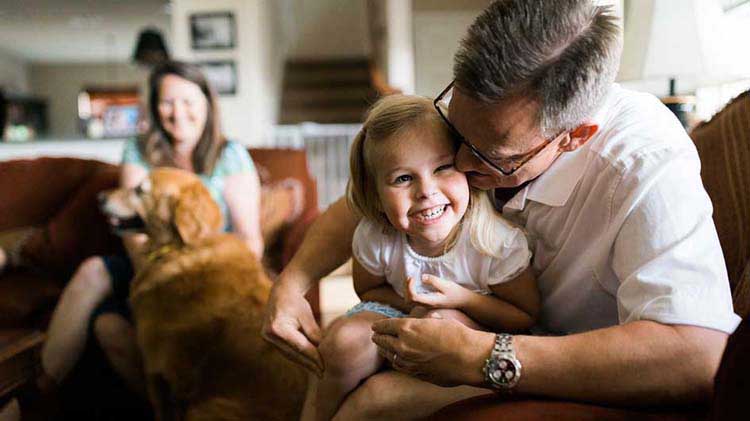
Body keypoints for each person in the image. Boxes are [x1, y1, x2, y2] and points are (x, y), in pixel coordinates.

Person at [263, 1, 741, 419]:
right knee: (345, 355)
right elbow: (371, 200)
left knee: (375, 404)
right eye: (457, 135)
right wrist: (292, 281)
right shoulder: (488, 113)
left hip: (567, 355)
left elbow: (698, 356)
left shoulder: (643, 163)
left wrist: (482, 355)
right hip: (468, 323)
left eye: (492, 157)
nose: (463, 167)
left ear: (574, 137)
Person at [301, 95, 538, 421]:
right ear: (376, 197)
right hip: (397, 309)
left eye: (442, 168)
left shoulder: (496, 244)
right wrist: (408, 307)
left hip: (478, 327)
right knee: (343, 342)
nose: (426, 190)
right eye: (403, 178)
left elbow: (524, 315)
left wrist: (460, 300)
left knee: (435, 321)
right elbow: (368, 292)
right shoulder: (376, 236)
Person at [37, 60, 264, 393]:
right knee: (94, 279)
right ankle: (38, 395)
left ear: (206, 104)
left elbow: (250, 239)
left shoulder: (231, 155)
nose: (178, 112)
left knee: (109, 326)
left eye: (189, 101)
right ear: (155, 108)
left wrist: (208, 285)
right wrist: (164, 285)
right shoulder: (139, 150)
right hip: (148, 263)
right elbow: (135, 232)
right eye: (168, 102)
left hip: (208, 271)